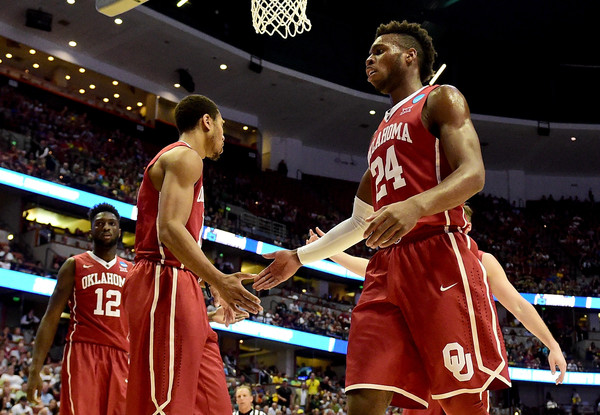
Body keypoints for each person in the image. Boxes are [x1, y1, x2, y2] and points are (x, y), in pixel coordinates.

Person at [254, 20, 508, 415]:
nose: (368, 59)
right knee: (363, 394)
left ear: (410, 57)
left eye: (379, 51)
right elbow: (359, 221)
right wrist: (299, 257)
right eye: (369, 53)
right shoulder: (381, 131)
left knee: (460, 401)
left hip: (438, 256)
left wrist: (416, 205)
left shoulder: (441, 99)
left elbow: (474, 174)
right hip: (385, 268)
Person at [304, 206, 568, 414]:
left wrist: (552, 344)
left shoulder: (481, 259)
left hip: (460, 363)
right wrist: (331, 252)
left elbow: (519, 305)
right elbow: (375, 272)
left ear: (465, 223)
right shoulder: (420, 252)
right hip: (425, 364)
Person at [123, 94, 262, 414]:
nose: (226, 136)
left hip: (181, 281)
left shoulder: (187, 163)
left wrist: (210, 284)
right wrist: (220, 279)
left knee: (213, 404)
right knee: (164, 403)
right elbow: (169, 230)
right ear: (207, 122)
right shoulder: (186, 158)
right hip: (161, 277)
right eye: (224, 127)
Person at [27, 203, 131, 414]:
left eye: (112, 223)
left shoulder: (133, 271)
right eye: (100, 223)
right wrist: (34, 369)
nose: (106, 228)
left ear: (120, 231)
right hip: (83, 352)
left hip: (121, 354)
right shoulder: (74, 265)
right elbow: (51, 317)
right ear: (90, 229)